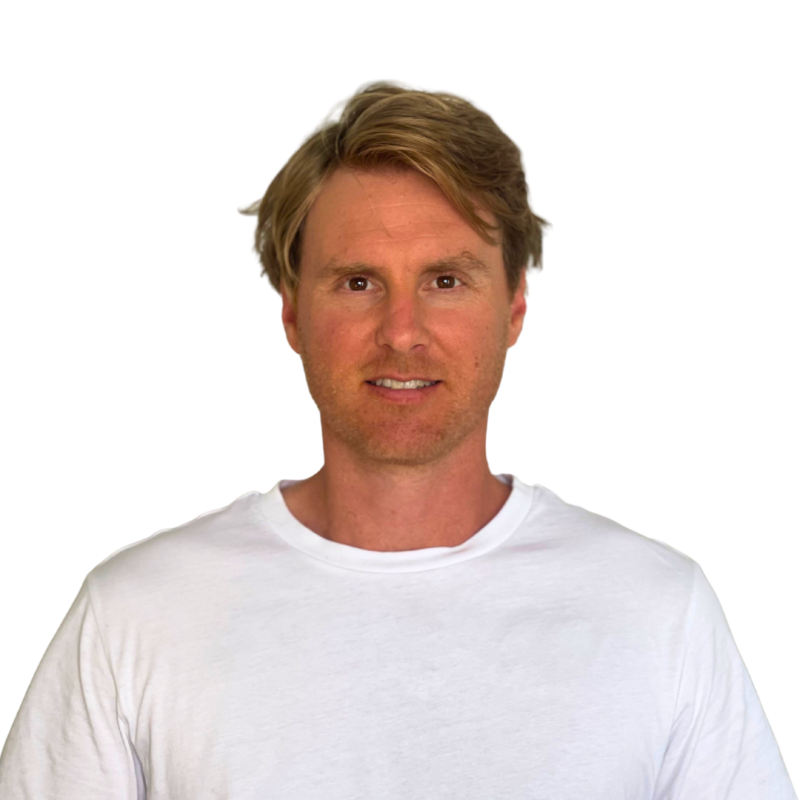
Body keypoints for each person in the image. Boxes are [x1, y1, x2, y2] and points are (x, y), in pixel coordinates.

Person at [0, 82, 795, 800]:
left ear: (514, 309)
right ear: (292, 312)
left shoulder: (658, 612)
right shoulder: (138, 618)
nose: (402, 332)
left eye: (445, 281)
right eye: (358, 282)